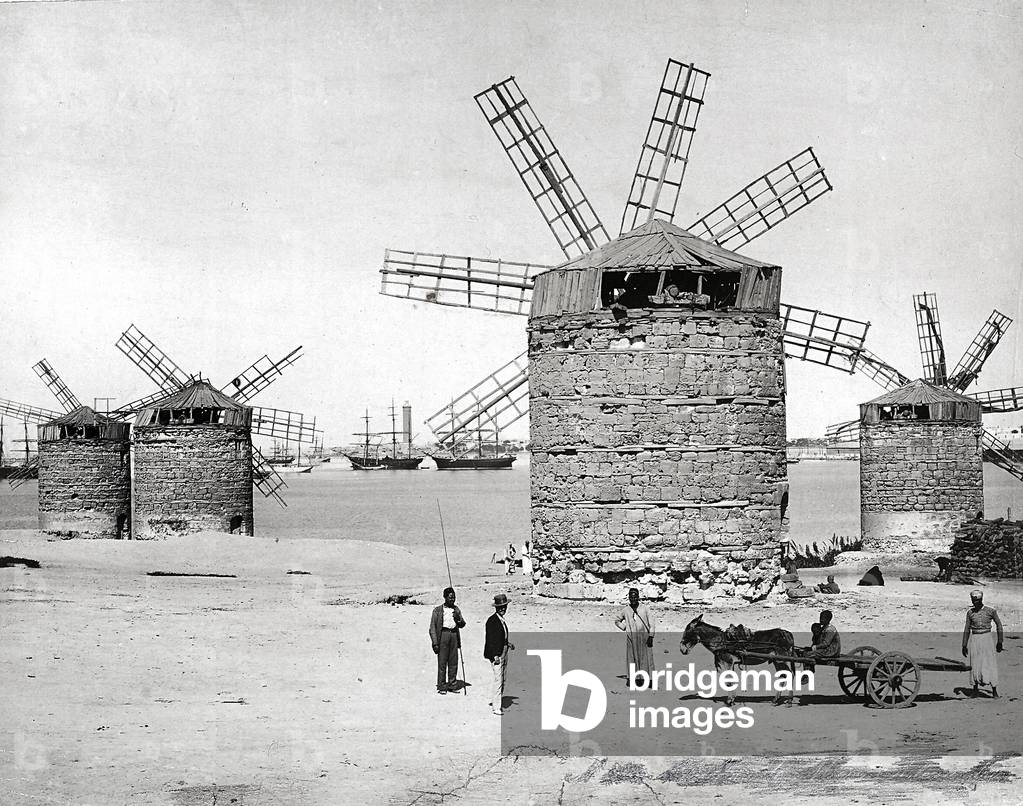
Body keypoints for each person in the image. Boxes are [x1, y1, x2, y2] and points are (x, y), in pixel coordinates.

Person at [962, 590, 1004, 698]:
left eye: (977, 601)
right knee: (975, 663)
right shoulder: (970, 613)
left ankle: (994, 691)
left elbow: (999, 625)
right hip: (975, 639)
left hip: (987, 638)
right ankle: (975, 690)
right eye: (973, 600)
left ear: (981, 600)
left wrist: (1000, 642)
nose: (975, 603)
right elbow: (967, 628)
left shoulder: (991, 611)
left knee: (990, 663)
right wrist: (964, 644)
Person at [429, 587, 465, 695]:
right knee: (442, 662)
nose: (452, 600)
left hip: (454, 635)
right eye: (450, 598)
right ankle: (442, 686)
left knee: (453, 661)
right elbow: (432, 628)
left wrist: (458, 618)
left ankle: (452, 685)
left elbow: (462, 624)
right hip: (443, 636)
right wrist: (435, 643)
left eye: (454, 598)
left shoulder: (456, 609)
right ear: (444, 597)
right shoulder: (437, 610)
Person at [484, 593, 515, 715]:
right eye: (500, 607)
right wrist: (495, 655)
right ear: (496, 607)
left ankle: (498, 701)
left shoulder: (500, 620)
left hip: (503, 651)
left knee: (503, 678)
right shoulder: (492, 621)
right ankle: (496, 706)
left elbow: (500, 637)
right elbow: (491, 640)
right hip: (497, 654)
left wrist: (508, 644)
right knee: (498, 679)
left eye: (504, 606)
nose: (503, 609)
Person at [614, 588, 655, 676]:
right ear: (629, 598)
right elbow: (617, 620)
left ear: (638, 597)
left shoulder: (645, 609)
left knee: (646, 658)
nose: (633, 599)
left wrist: (651, 636)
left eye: (635, 597)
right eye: (631, 597)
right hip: (631, 638)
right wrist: (624, 627)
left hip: (644, 637)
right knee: (632, 658)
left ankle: (647, 678)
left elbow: (652, 623)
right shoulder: (626, 610)